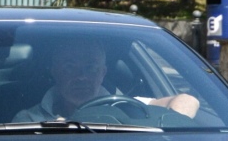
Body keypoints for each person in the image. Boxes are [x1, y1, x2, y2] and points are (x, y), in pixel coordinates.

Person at [13, 39, 200, 122]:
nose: (82, 76)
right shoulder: (28, 120)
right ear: (54, 72)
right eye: (70, 67)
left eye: (91, 67)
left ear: (103, 73)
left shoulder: (127, 108)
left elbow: (188, 101)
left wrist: (161, 128)